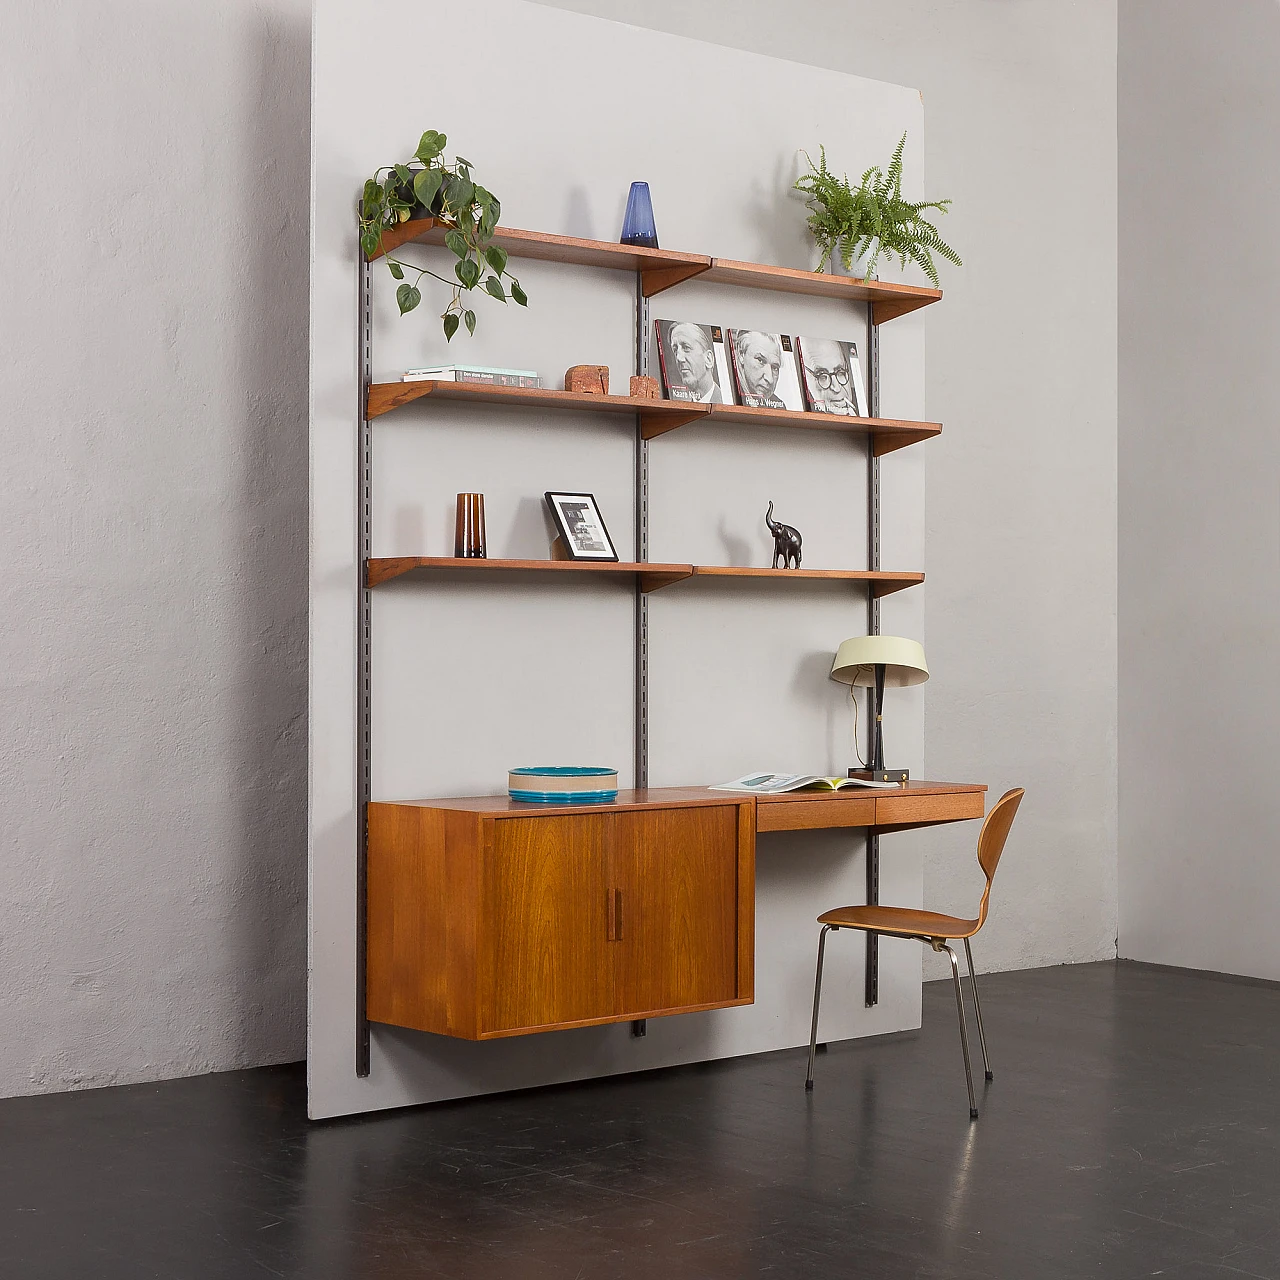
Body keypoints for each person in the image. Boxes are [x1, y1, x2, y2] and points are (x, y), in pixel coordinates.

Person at [800, 337, 859, 415]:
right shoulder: (796, 404)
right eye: (822, 376)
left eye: (840, 372)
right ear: (804, 376)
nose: (837, 388)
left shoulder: (861, 405)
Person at [667, 322, 722, 403]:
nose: (679, 358)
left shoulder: (723, 400)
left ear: (708, 359)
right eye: (675, 350)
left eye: (686, 347)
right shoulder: (682, 406)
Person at [732, 330, 785, 408]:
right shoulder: (728, 395)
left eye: (775, 368)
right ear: (741, 354)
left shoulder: (779, 406)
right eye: (760, 360)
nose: (769, 379)